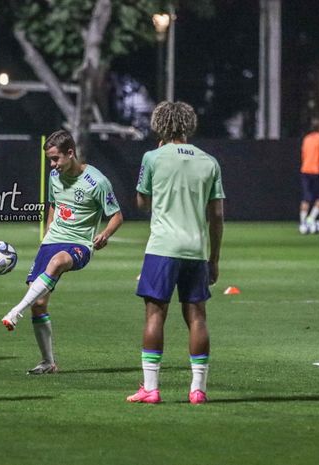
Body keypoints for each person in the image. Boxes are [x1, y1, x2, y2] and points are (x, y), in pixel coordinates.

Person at [1, 130, 123, 374]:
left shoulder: (97, 181)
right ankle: (48, 362)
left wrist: (105, 235)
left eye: (56, 159)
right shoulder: (55, 177)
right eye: (50, 161)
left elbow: (117, 216)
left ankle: (15, 311)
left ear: (71, 153)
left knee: (57, 262)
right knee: (39, 304)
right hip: (52, 241)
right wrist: (46, 237)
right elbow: (53, 206)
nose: (53, 166)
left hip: (79, 244)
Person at [127, 101, 224, 405]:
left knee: (156, 314)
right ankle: (197, 389)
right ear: (189, 125)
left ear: (159, 125)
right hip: (195, 250)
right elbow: (217, 214)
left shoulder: (153, 157)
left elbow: (142, 202)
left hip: (162, 248)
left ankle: (151, 389)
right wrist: (214, 258)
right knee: (197, 317)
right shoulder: (209, 161)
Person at [299, 118, 319, 234]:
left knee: (306, 197)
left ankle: (302, 223)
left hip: (305, 170)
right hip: (317, 171)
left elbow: (303, 153)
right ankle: (311, 219)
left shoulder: (307, 138)